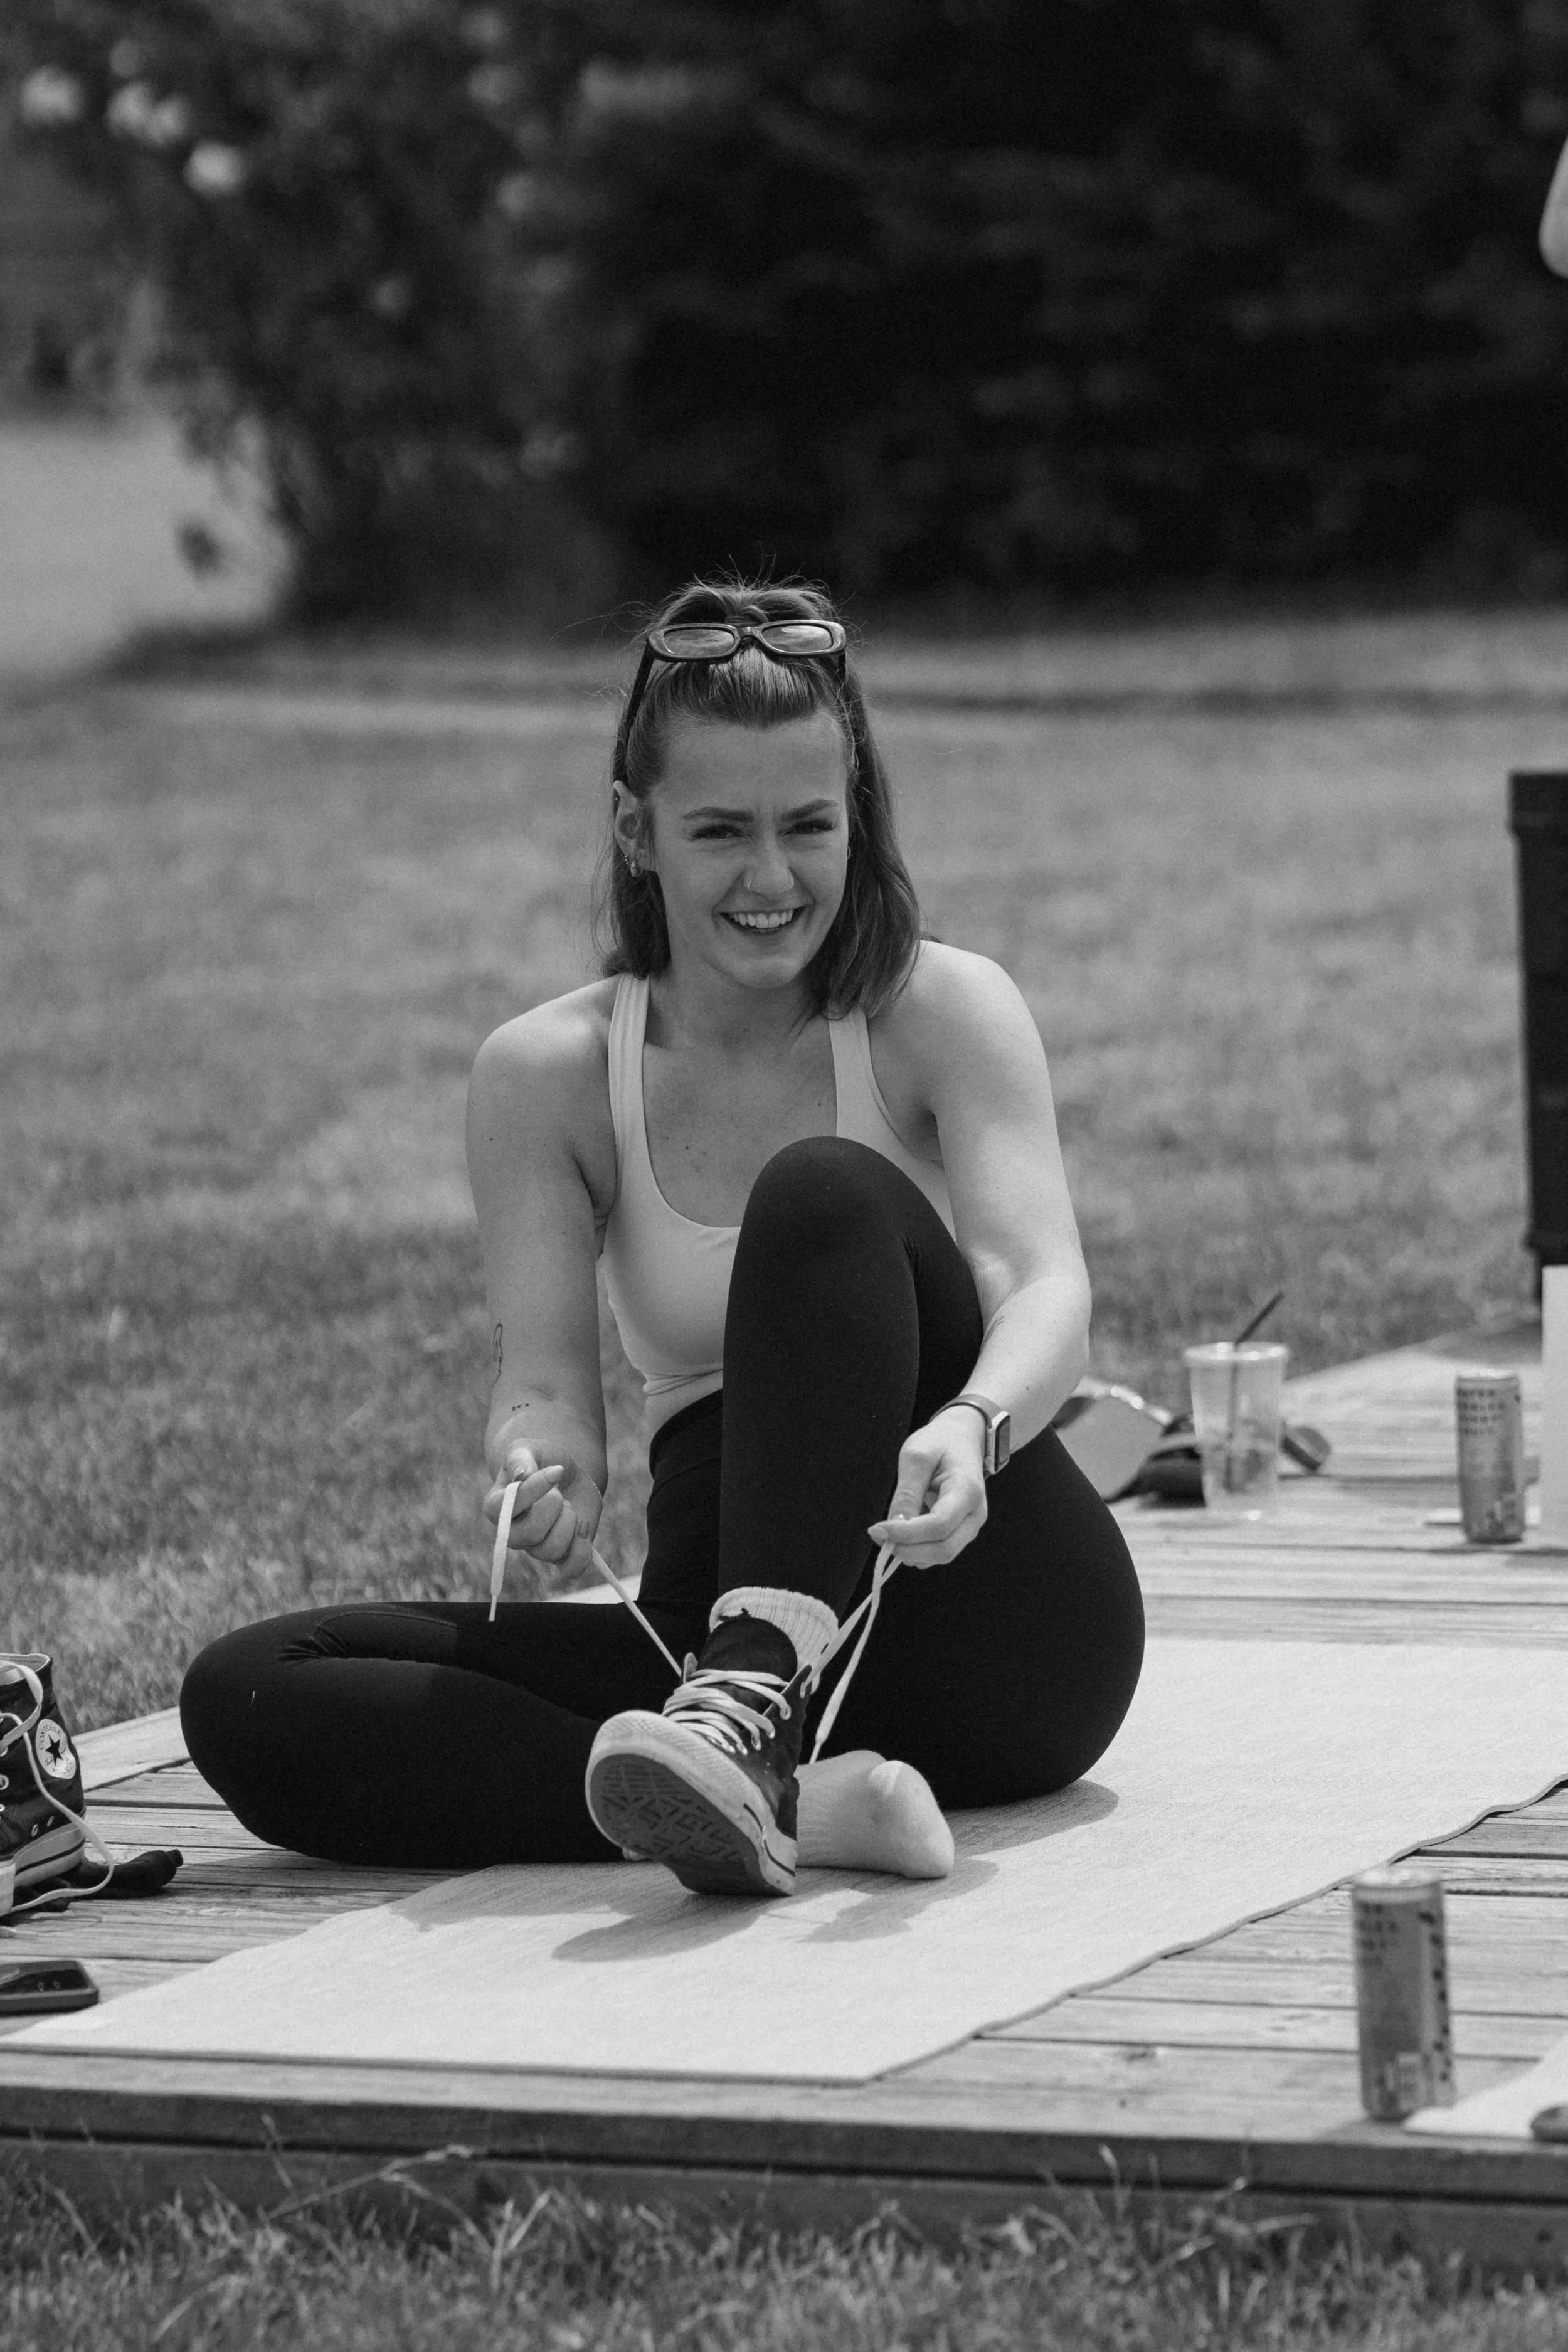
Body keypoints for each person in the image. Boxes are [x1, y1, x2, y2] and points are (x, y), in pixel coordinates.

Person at [180, 577, 1144, 1899]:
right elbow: (541, 1390)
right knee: (247, 1693)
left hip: (989, 1629)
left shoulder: (940, 1009)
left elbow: (1042, 1286)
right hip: (701, 1632)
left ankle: (750, 1725)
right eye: (718, 831)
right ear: (635, 831)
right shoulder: (545, 1074)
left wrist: (974, 1427)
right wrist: (543, 1473)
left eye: (809, 825)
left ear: (855, 815)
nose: (770, 877)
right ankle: (784, 1796)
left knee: (821, 1191)